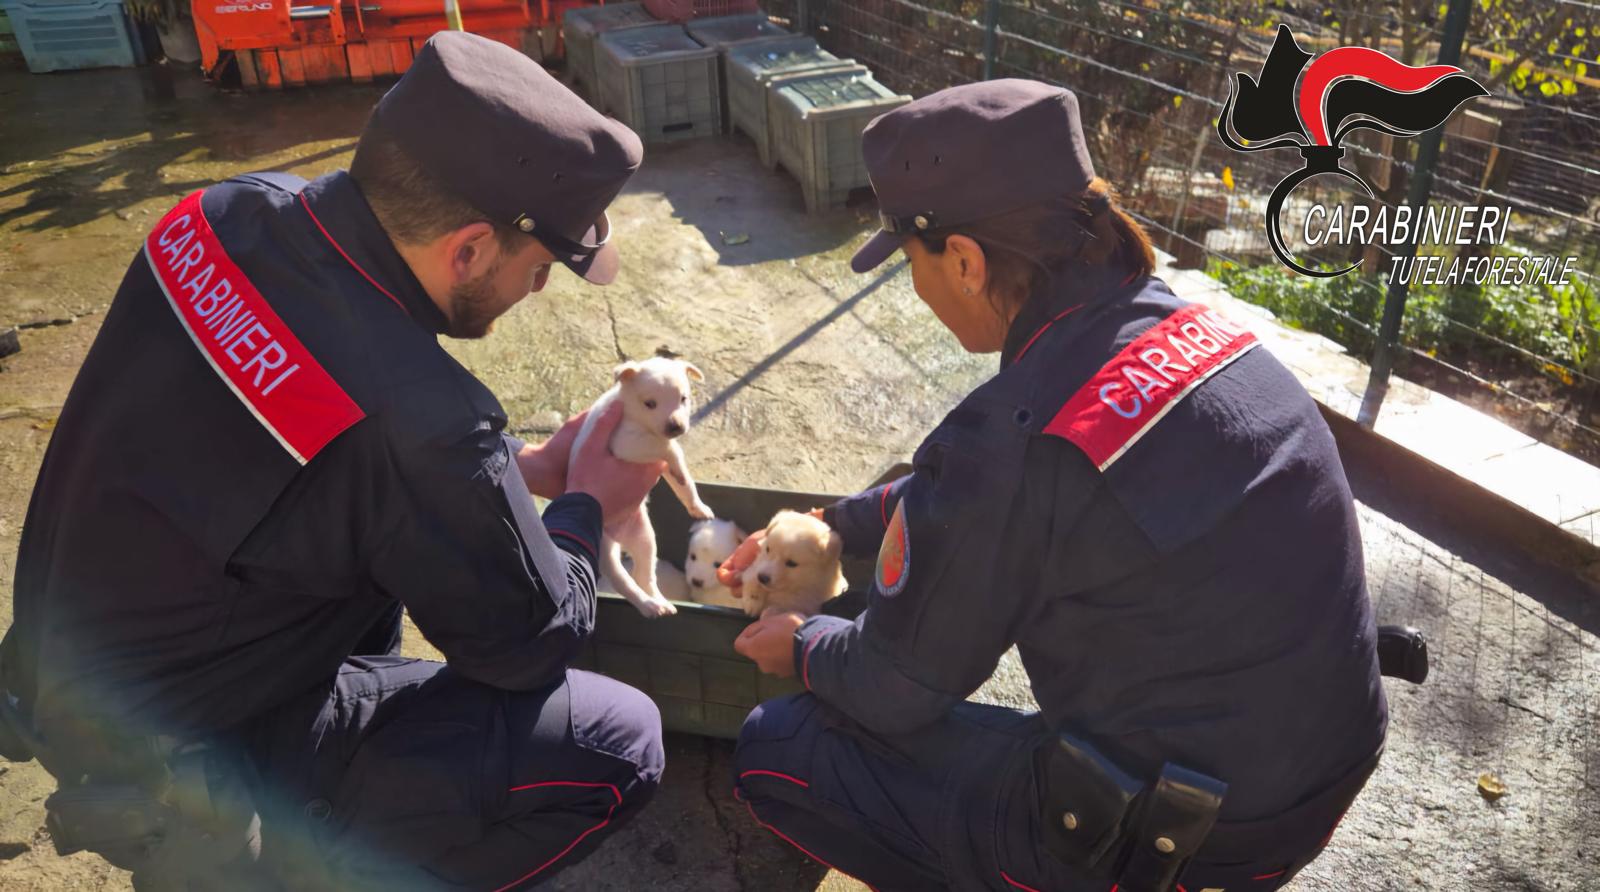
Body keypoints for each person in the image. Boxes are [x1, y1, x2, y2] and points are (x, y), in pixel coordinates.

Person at [0, 32, 666, 890]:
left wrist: (502, 469)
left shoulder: (212, 215)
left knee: (376, 561)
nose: (532, 294)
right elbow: (525, 644)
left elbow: (321, 424)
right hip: (191, 766)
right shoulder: (421, 423)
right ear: (467, 249)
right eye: (537, 271)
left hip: (74, 665)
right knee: (622, 740)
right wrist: (583, 501)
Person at [725, 80, 1388, 892]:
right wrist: (839, 523)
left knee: (779, 745)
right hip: (1314, 781)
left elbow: (891, 686)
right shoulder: (1193, 330)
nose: (917, 285)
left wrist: (799, 642)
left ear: (963, 260)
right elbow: (999, 508)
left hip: (1183, 842)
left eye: (910, 261)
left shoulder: (1012, 435)